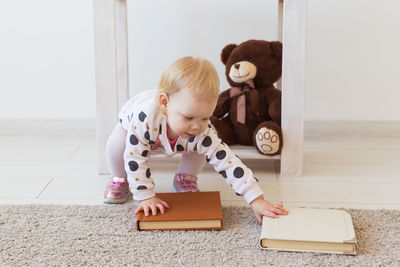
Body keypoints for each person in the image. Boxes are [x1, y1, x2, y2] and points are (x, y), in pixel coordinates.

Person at [104, 56, 288, 223]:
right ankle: (120, 178)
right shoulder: (144, 118)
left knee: (200, 145)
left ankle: (185, 177)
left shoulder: (201, 130)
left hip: (177, 138)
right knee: (117, 146)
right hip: (132, 131)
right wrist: (145, 196)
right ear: (165, 104)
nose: (197, 126)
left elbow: (229, 162)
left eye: (205, 118)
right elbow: (135, 157)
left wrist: (256, 199)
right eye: (189, 117)